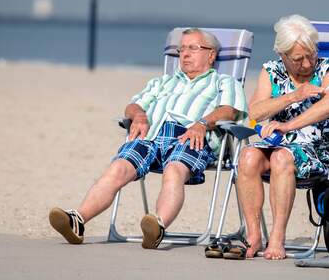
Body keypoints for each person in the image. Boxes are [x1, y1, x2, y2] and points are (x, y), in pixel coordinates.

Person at [49, 28, 247, 249]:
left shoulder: (224, 82)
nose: (185, 54)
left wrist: (202, 124)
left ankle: (157, 225)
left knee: (174, 170)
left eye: (193, 48)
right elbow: (133, 106)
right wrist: (139, 115)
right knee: (117, 168)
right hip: (150, 134)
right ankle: (78, 220)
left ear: (211, 55)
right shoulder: (162, 82)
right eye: (181, 49)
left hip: (188, 136)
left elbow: (228, 111)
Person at [237, 15, 329, 259]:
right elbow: (254, 112)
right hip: (276, 143)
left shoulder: (328, 69)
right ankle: (253, 235)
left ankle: (277, 237)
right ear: (282, 56)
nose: (306, 64)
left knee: (281, 158)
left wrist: (288, 125)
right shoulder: (270, 71)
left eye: (310, 55)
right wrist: (295, 96)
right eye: (297, 59)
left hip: (316, 147)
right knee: (248, 156)